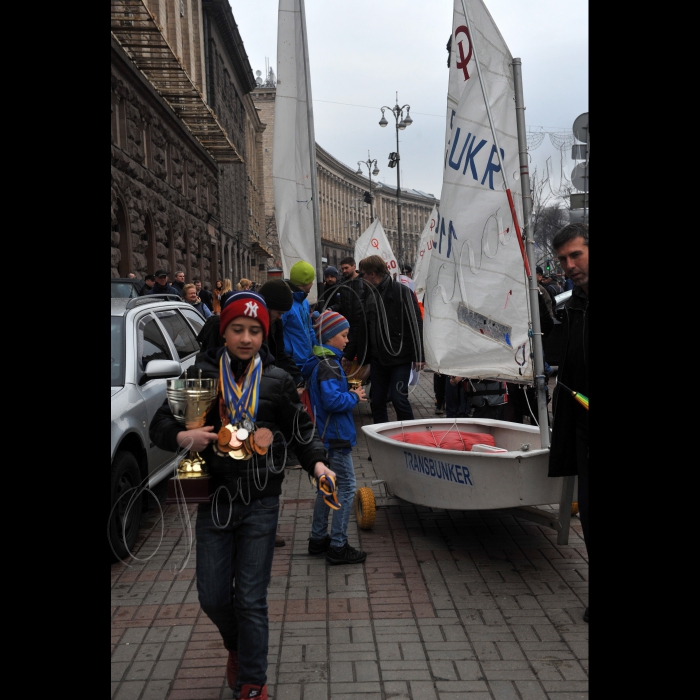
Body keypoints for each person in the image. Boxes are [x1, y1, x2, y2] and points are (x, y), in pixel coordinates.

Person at [149, 291, 335, 700]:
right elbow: (160, 423)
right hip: (214, 500)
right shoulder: (200, 375)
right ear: (225, 331)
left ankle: (253, 681)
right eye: (238, 329)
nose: (246, 338)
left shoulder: (278, 379)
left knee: (251, 597)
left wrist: (319, 464)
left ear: (264, 335)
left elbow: (303, 432)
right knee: (212, 596)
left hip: (261, 502)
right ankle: (236, 644)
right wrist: (183, 434)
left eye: (254, 330)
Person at [547, 222, 589, 623]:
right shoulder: (571, 303)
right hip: (582, 425)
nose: (569, 265)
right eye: (563, 259)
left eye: (576, 254)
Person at [304, 310, 368, 565]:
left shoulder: (320, 362)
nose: (346, 340)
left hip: (325, 434)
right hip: (335, 436)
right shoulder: (329, 365)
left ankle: (318, 538)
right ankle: (338, 545)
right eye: (343, 335)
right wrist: (355, 397)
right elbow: (332, 400)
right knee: (347, 486)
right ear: (329, 337)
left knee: (326, 487)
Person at [358, 255, 424, 424]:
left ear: (373, 274)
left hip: (399, 357)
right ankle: (382, 439)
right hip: (378, 358)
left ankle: (410, 436)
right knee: (377, 401)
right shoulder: (368, 294)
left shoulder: (402, 291)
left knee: (398, 399)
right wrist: (356, 354)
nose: (361, 278)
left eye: (363, 274)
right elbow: (363, 326)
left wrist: (419, 355)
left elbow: (416, 323)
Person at [281, 261, 316, 370]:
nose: (313, 283)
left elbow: (309, 328)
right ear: (305, 282)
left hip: (307, 359)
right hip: (292, 362)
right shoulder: (286, 303)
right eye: (311, 280)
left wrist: (316, 348)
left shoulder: (304, 301)